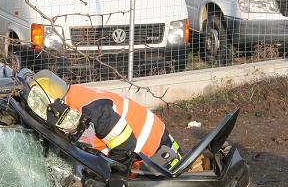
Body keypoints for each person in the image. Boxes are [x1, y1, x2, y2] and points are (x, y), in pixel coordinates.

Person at [24, 69, 182, 169]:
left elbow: (125, 145)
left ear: (51, 102)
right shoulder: (74, 95)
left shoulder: (90, 110)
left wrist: (109, 172)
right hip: (152, 141)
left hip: (154, 154)